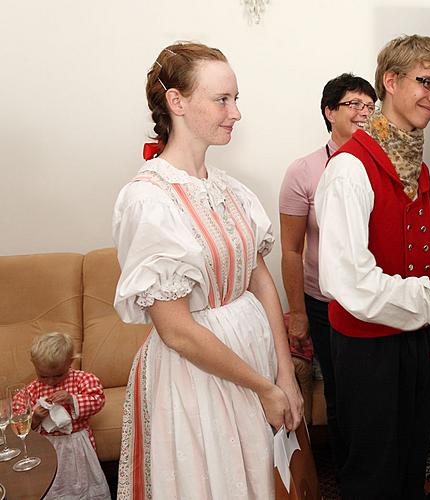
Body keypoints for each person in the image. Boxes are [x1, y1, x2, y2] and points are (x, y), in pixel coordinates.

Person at [113, 42, 303, 499]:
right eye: (222, 99)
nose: (235, 112)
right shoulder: (149, 200)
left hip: (255, 361)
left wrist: (286, 375)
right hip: (200, 376)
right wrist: (264, 387)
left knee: (264, 476)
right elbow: (176, 331)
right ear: (176, 102)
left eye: (236, 99)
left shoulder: (232, 190)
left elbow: (261, 281)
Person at [315, 34, 430, 499]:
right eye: (426, 83)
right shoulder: (349, 168)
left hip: (413, 337)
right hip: (366, 349)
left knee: (408, 459)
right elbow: (347, 281)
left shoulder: (418, 167)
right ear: (391, 81)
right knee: (372, 471)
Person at [278, 73, 377, 469]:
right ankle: (349, 472)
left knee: (378, 388)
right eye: (353, 104)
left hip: (378, 297)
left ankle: (383, 470)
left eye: (370, 106)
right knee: (341, 391)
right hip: (327, 303)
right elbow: (290, 249)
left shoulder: (385, 162)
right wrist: (298, 313)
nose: (364, 113)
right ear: (329, 112)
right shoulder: (303, 171)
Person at [18, 332, 110, 499]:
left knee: (83, 478)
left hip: (77, 442)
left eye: (58, 375)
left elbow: (98, 400)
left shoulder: (82, 379)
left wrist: (72, 398)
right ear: (35, 366)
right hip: (48, 444)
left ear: (70, 362)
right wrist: (36, 417)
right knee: (53, 482)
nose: (51, 382)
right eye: (44, 376)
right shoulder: (31, 389)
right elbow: (18, 416)